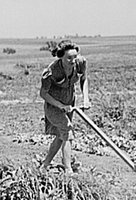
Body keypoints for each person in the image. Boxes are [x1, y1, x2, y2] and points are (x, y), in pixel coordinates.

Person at [40, 40, 91, 174]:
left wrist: (85, 98)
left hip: (69, 102)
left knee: (60, 135)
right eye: (69, 58)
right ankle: (68, 171)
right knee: (68, 133)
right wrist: (60, 105)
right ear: (61, 57)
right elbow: (43, 93)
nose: (73, 61)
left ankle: (44, 166)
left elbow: (84, 79)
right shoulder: (52, 71)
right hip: (53, 105)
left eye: (75, 57)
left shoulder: (80, 63)